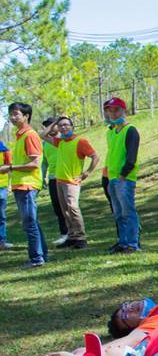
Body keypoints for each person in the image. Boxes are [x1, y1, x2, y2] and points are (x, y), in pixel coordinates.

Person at [40, 116, 99, 249]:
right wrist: (55, 122)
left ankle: (81, 238)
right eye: (61, 125)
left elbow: (95, 157)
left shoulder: (80, 141)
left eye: (66, 124)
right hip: (59, 180)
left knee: (73, 208)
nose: (63, 127)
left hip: (72, 181)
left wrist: (86, 173)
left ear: (72, 127)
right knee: (65, 210)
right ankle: (72, 236)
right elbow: (42, 135)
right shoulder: (60, 141)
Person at [0, 103, 48, 267]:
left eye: (16, 114)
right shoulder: (20, 136)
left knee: (29, 224)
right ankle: (42, 255)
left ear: (26, 116)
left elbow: (35, 163)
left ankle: (36, 259)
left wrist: (10, 167)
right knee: (32, 222)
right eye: (11, 114)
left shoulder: (30, 135)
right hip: (20, 185)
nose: (12, 117)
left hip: (27, 185)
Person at [103, 97, 141, 253]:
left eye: (116, 110)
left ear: (123, 110)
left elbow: (131, 157)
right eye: (110, 111)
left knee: (128, 212)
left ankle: (132, 244)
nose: (113, 113)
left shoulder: (130, 130)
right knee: (118, 214)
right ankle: (123, 242)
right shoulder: (111, 132)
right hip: (112, 178)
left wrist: (123, 175)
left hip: (124, 179)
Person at [39, 117, 69, 246]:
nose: (50, 128)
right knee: (57, 208)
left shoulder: (64, 139)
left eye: (52, 125)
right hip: (53, 178)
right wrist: (42, 177)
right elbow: (44, 163)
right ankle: (64, 234)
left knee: (69, 207)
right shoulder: (45, 144)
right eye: (47, 126)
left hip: (65, 177)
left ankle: (74, 233)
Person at [0, 140, 11, 249]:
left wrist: (9, 185)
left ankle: (2, 241)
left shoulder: (4, 150)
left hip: (1, 187)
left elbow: (9, 166)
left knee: (1, 216)